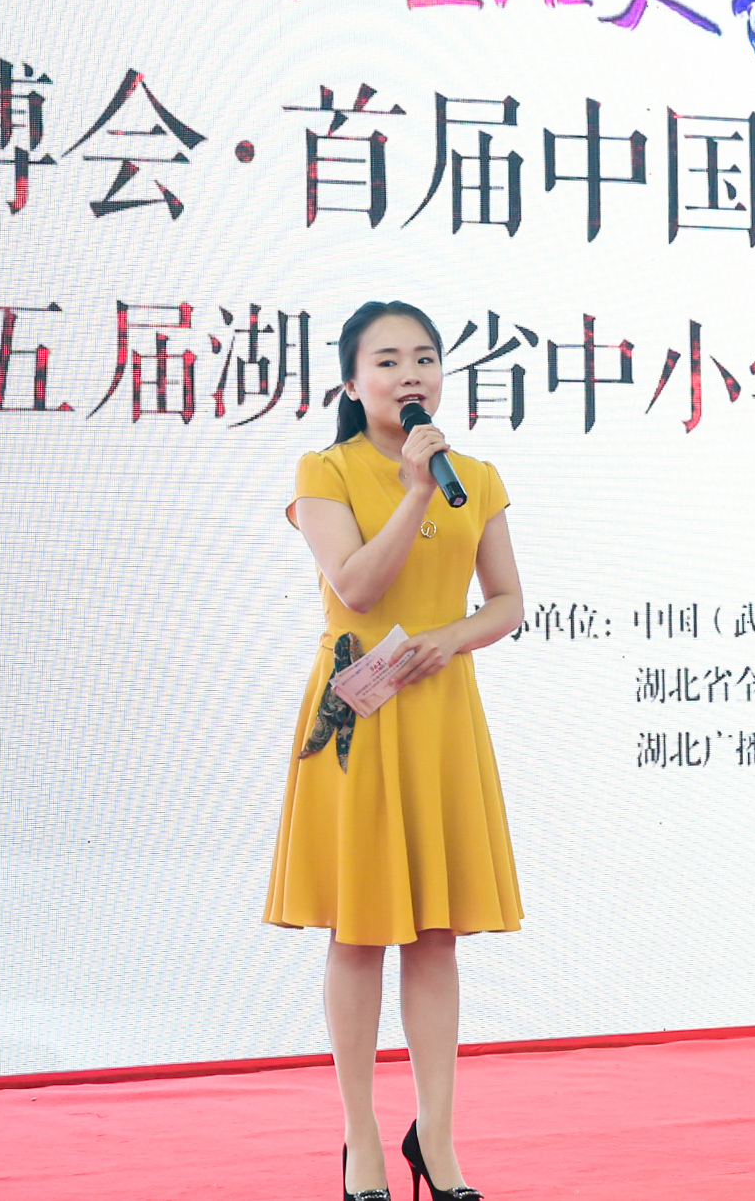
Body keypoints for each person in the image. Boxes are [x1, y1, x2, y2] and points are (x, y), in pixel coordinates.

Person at [266, 301, 525, 1201]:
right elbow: (358, 587)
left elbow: (508, 602)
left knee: (437, 933)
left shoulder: (475, 476)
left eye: (424, 358)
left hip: (439, 710)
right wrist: (414, 490)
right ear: (352, 381)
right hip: (360, 712)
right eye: (387, 361)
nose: (410, 374)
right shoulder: (326, 470)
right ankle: (362, 1143)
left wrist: (453, 636)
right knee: (359, 929)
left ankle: (437, 1142)